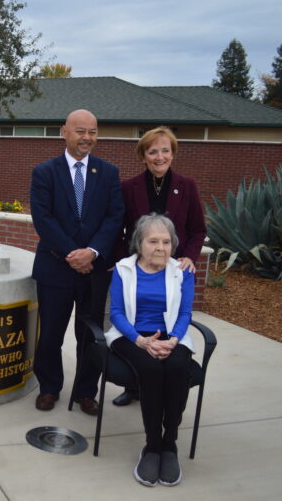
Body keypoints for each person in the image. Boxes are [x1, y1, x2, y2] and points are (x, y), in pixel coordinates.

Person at [29, 109, 124, 415]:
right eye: (80, 131)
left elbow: (114, 217)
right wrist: (73, 254)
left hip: (94, 271)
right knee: (51, 334)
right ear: (64, 132)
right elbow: (43, 219)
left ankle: (86, 391)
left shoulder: (108, 172)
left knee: (90, 335)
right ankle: (49, 387)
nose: (87, 138)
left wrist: (92, 252)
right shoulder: (44, 172)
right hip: (55, 268)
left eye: (93, 132)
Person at [111, 126, 206, 407]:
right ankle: (134, 386)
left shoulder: (186, 186)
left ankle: (168, 382)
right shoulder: (129, 187)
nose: (159, 156)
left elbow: (198, 230)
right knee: (134, 319)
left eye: (165, 150)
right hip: (139, 267)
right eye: (153, 151)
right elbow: (119, 229)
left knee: (169, 320)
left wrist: (189, 256)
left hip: (173, 269)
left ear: (173, 153)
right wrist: (119, 262)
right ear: (144, 156)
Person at [106, 214, 195, 487]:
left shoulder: (182, 271)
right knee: (150, 369)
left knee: (180, 367)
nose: (160, 247)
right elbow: (117, 313)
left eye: (166, 241)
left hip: (171, 336)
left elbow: (185, 313)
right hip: (131, 335)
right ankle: (152, 445)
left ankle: (170, 445)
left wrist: (173, 340)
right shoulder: (123, 269)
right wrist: (141, 340)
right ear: (139, 243)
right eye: (153, 241)